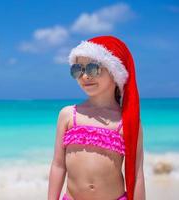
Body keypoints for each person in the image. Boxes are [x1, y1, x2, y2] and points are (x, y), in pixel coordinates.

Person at [48, 35, 146, 200]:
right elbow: (58, 165)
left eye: (93, 68)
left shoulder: (126, 122)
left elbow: (136, 175)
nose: (85, 76)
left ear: (115, 74)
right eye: (78, 69)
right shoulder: (68, 115)